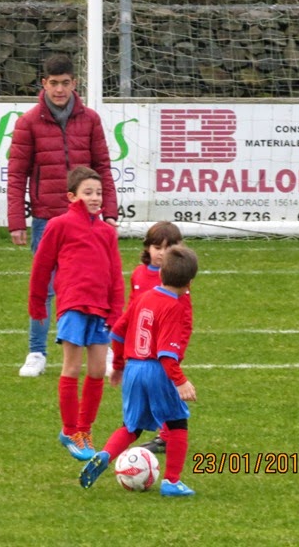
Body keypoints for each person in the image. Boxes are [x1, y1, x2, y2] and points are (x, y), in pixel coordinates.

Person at [8, 53, 119, 378]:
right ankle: (36, 352)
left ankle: (107, 346)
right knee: (46, 286)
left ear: (75, 83)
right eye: (53, 83)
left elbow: (103, 168)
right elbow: (17, 174)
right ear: (44, 84)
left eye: (65, 83)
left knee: (98, 284)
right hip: (47, 218)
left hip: (88, 221)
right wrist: (17, 220)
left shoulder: (91, 120)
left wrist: (108, 210)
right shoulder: (28, 122)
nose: (59, 89)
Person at [79, 245, 199, 496]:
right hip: (156, 370)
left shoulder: (144, 297)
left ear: (161, 274)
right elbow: (167, 353)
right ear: (189, 283)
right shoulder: (174, 307)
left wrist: (120, 365)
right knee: (177, 424)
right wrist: (180, 381)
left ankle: (105, 454)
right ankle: (171, 481)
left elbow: (118, 332)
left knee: (131, 427)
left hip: (133, 369)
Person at [29, 166, 125, 461]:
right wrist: (36, 303)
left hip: (101, 310)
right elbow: (42, 265)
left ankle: (84, 430)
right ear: (72, 196)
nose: (96, 198)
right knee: (72, 367)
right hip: (72, 305)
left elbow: (115, 274)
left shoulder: (107, 232)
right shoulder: (59, 225)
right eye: (88, 193)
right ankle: (70, 430)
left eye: (99, 193)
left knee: (97, 371)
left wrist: (116, 312)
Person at [128, 221, 193, 455]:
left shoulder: (176, 277)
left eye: (168, 248)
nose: (162, 253)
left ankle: (166, 435)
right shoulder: (138, 274)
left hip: (166, 346)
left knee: (165, 389)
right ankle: (160, 432)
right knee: (150, 391)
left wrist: (179, 345)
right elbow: (132, 309)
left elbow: (184, 315)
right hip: (142, 349)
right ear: (147, 248)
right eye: (157, 247)